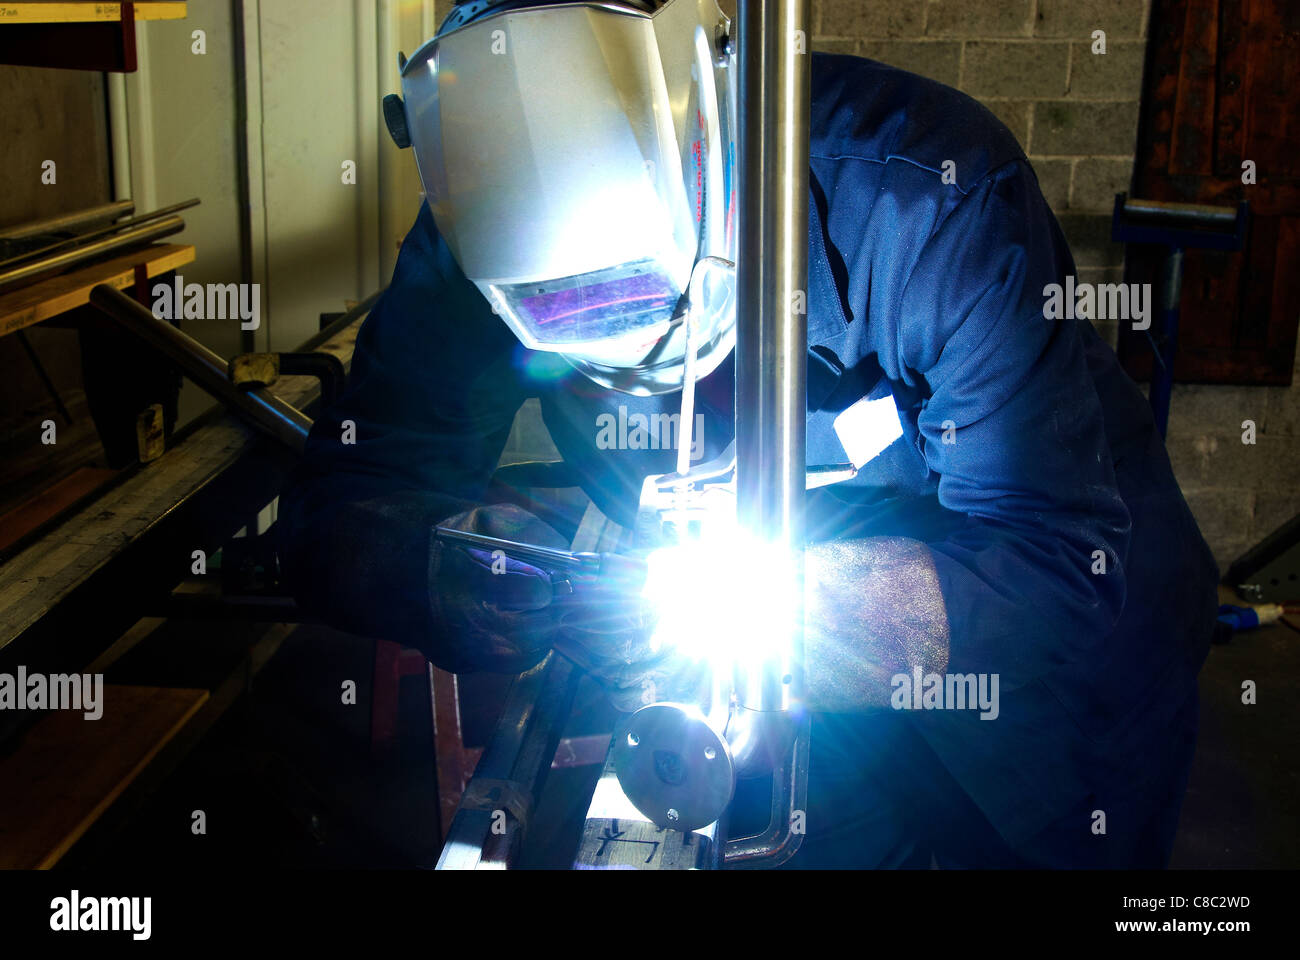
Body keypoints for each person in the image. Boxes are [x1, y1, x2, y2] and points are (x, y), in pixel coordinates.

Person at [278, 0, 1219, 868]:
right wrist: (448, 570)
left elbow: (1057, 575)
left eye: (647, 299)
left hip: (1047, 640)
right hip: (793, 688)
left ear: (705, 128)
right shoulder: (473, 238)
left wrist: (776, 618)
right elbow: (338, 501)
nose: (629, 366)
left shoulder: (927, 198)